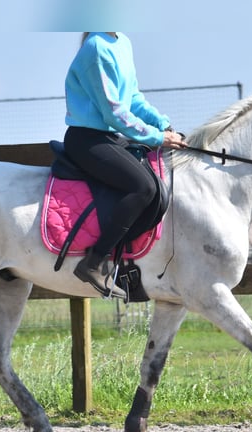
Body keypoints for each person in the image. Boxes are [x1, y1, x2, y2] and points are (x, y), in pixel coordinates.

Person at [64, 32, 187, 299]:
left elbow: (132, 98)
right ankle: (94, 262)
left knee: (157, 187)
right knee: (142, 188)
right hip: (88, 139)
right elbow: (114, 112)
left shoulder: (122, 42)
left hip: (110, 137)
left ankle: (129, 263)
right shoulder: (96, 48)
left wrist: (162, 123)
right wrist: (158, 137)